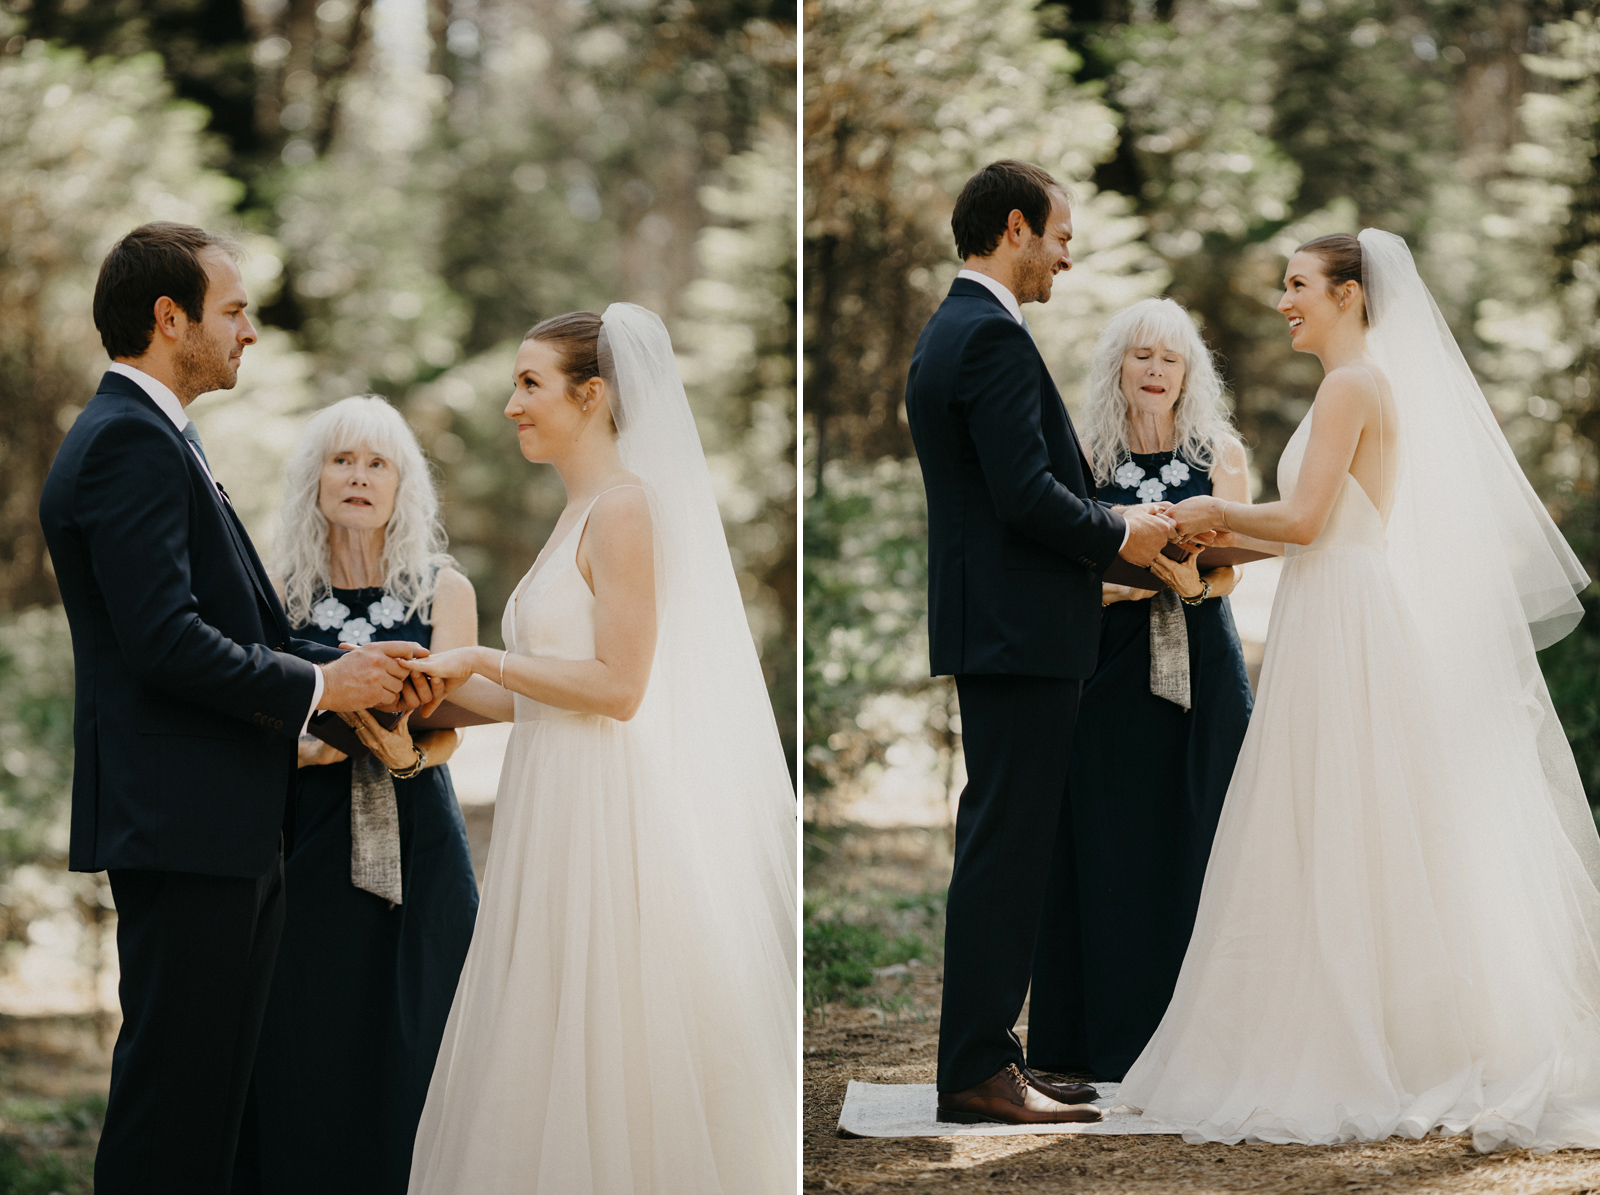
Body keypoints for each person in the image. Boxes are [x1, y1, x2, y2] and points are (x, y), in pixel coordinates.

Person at [1122, 231, 1600, 1151]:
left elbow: (1301, 521)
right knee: (1342, 819)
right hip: (1332, 605)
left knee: (1340, 816)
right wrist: (1193, 538)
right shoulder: (1354, 386)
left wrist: (1215, 512)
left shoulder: (1352, 386)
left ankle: (1371, 1036)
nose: (1283, 301)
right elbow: (1301, 533)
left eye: (1299, 285)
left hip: (1344, 617)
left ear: (1350, 294)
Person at [37, 223, 431, 1194]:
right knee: (173, 1114)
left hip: (218, 820)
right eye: (234, 310)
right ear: (171, 319)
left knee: (209, 1109)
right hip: (186, 828)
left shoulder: (162, 433)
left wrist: (353, 663)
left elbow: (234, 628)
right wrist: (322, 686)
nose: (248, 331)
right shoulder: (128, 440)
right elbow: (165, 642)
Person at [400, 305, 796, 1191]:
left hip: (605, 819)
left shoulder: (623, 509)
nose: (512, 404)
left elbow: (619, 685)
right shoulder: (579, 508)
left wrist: (482, 654)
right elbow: (537, 692)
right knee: (543, 1029)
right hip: (552, 807)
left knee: (607, 1035)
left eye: (530, 383)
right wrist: (429, 692)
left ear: (593, 395)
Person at [903, 160, 1176, 1126]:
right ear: (1015, 227)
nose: (1070, 253)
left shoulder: (954, 331)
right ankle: (978, 1069)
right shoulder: (988, 339)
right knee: (1007, 849)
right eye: (1061, 235)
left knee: (1005, 841)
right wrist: (1123, 532)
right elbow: (1025, 496)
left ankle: (992, 1055)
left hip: (1005, 630)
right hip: (1020, 637)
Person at [232, 397, 480, 1193]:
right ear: (314, 477)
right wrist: (305, 748)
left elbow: (454, 723)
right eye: (343, 460)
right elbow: (255, 710)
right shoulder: (276, 591)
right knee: (307, 1036)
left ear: (404, 484)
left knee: (418, 1031)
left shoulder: (444, 588)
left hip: (418, 826)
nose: (360, 477)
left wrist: (407, 748)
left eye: (378, 463)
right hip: (308, 833)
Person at [1027, 297, 1257, 1081]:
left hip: (1202, 660)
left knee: (1203, 831)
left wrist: (1197, 582)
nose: (1155, 372)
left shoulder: (1218, 449)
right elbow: (1059, 557)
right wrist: (1108, 590)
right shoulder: (1084, 450)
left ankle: (1206, 1040)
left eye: (1170, 359)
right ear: (1116, 368)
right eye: (1140, 357)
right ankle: (1103, 1041)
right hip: (1108, 662)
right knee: (1110, 838)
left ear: (1189, 372)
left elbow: (1238, 558)